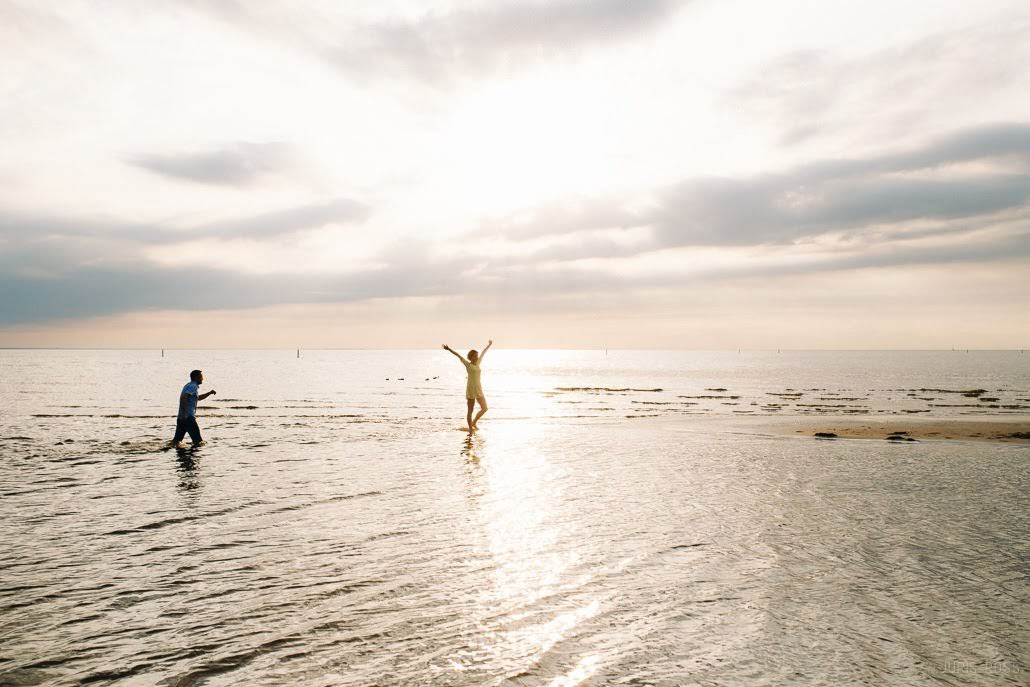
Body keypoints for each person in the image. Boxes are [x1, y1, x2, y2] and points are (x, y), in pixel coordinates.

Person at [443, 340, 492, 431]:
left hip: (479, 389)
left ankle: (474, 422)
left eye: (477, 356)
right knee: (470, 411)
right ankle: (470, 429)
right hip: (471, 390)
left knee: (485, 408)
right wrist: (449, 349)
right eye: (475, 356)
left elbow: (483, 353)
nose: (477, 357)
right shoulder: (468, 365)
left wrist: (488, 345)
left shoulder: (478, 363)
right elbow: (458, 355)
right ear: (471, 357)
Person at [172, 369, 216, 446]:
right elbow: (184, 398)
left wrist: (209, 393)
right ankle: (194, 454)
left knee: (176, 442)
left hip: (181, 418)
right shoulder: (193, 386)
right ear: (196, 377)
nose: (202, 379)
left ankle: (171, 452)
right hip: (188, 418)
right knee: (198, 442)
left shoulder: (188, 385)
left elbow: (198, 398)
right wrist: (185, 414)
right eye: (201, 377)